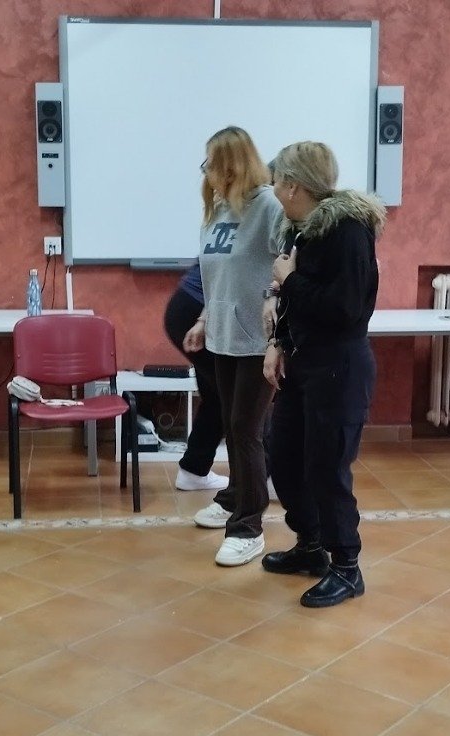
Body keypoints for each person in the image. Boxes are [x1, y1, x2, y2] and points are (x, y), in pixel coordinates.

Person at [261, 141, 384, 607]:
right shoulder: (302, 229)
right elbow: (291, 297)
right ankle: (311, 546)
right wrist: (277, 343)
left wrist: (290, 279)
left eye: (276, 179)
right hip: (304, 361)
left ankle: (347, 568)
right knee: (284, 456)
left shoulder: (348, 231)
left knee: (326, 468)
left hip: (340, 366)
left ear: (293, 185)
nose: (271, 187)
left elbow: (345, 309)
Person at [183, 126, 282, 567]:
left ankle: (249, 528)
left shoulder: (268, 206)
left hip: (260, 341)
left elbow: (289, 264)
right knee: (230, 424)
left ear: (233, 164)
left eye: (212, 163)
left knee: (246, 430)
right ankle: (235, 496)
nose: (206, 172)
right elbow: (216, 276)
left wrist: (275, 318)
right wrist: (204, 320)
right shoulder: (219, 209)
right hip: (223, 335)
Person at [163, 265, 229, 491]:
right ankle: (267, 478)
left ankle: (194, 470)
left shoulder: (216, 227)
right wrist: (203, 320)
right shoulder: (265, 230)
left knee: (219, 397)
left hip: (183, 307)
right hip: (203, 308)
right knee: (242, 396)